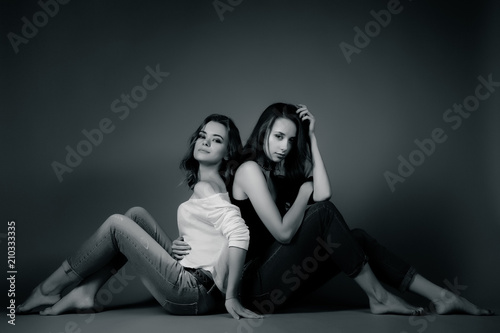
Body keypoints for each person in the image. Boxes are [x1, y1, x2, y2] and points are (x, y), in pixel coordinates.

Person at [225, 102, 492, 316]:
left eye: (292, 140)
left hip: (280, 283)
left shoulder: (279, 175)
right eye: (278, 136)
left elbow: (324, 192)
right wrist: (304, 192)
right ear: (263, 134)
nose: (285, 147)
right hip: (255, 290)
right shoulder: (250, 171)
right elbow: (284, 233)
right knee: (324, 213)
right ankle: (379, 297)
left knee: (358, 238)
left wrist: (312, 138)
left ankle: (443, 297)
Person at [17, 114, 262, 320]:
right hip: (193, 279)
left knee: (117, 224)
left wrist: (231, 295)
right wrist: (183, 245)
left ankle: (49, 288)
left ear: (227, 153)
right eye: (202, 136)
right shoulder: (208, 184)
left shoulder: (207, 187)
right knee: (136, 215)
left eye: (216, 140)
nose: (205, 142)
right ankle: (86, 292)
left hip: (191, 292)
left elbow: (239, 233)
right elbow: (213, 237)